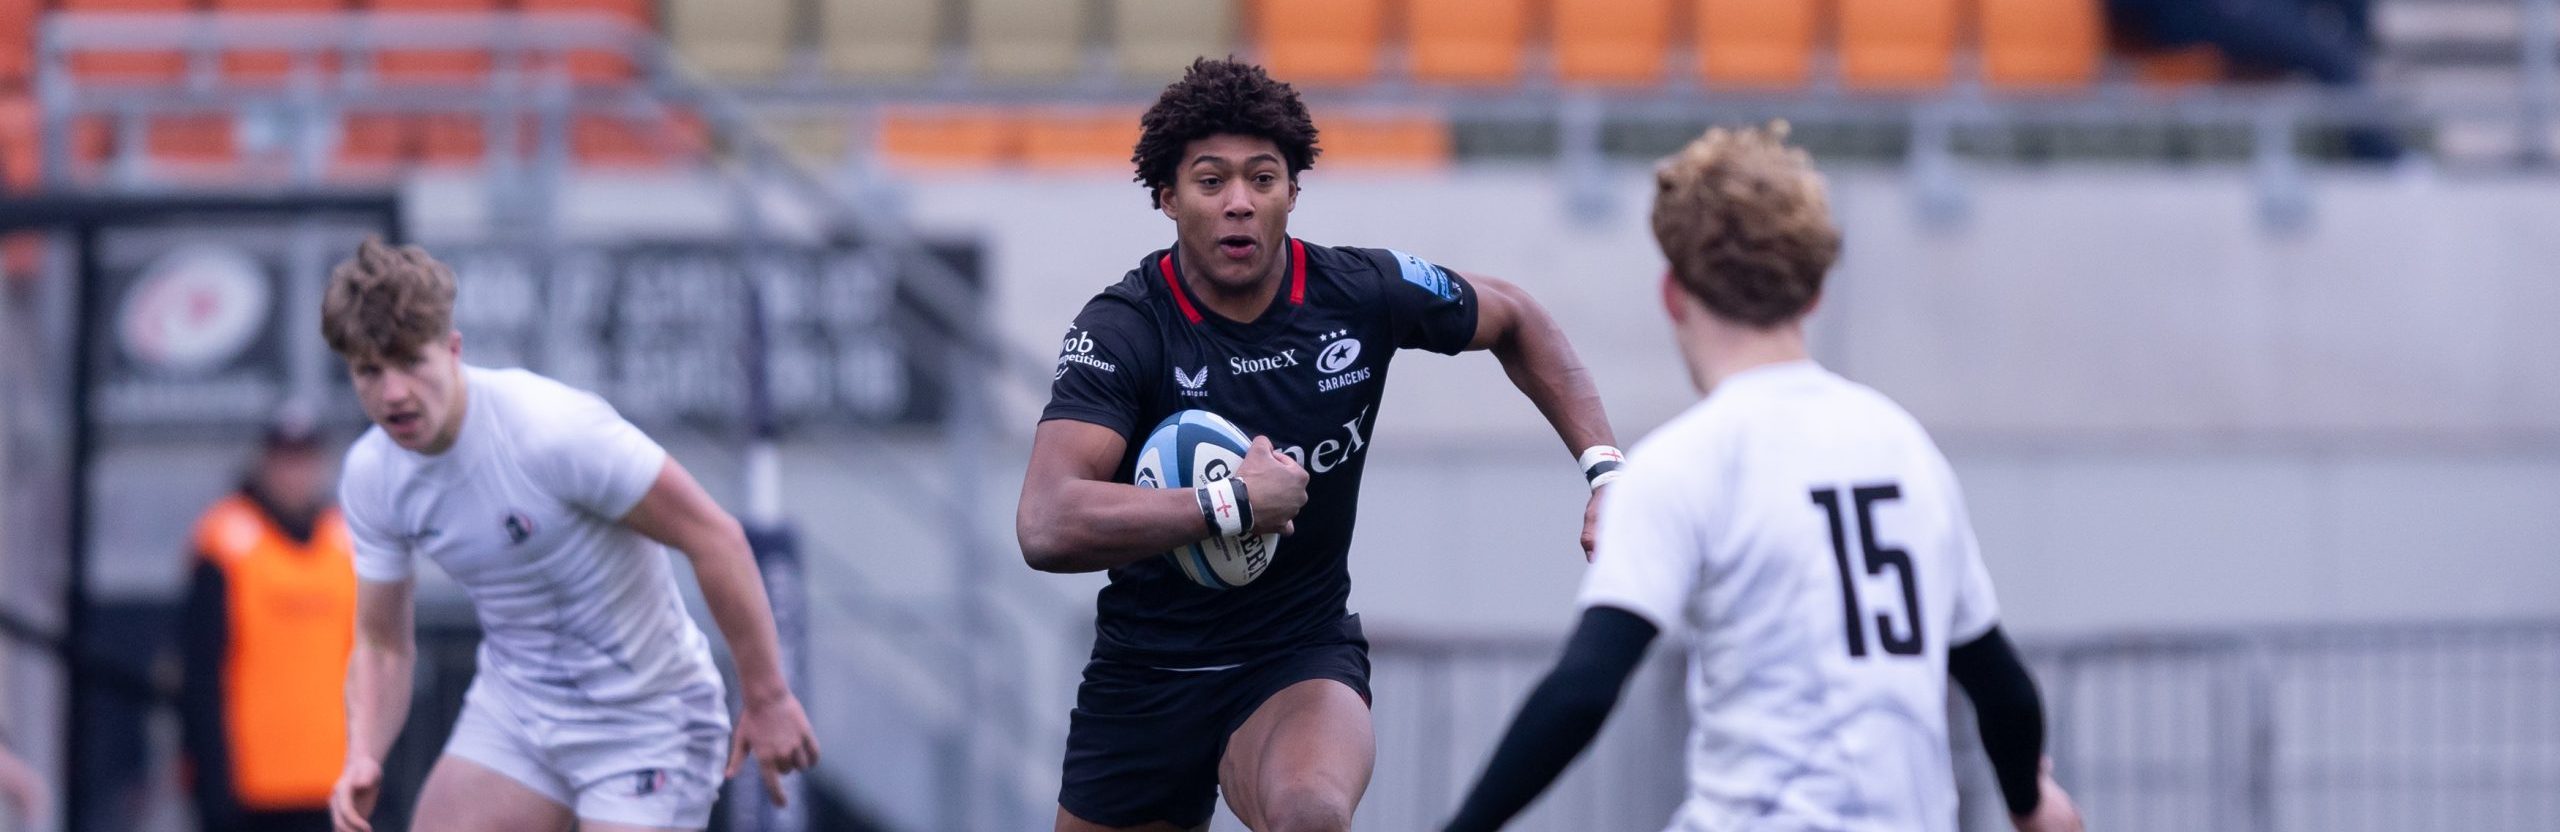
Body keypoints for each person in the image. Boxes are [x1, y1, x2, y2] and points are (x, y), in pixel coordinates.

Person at [1016, 58, 1621, 832]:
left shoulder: (1361, 293)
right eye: (1211, 181)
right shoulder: (1123, 330)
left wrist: (1605, 470)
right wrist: (1231, 503)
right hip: (1147, 676)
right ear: (1167, 198)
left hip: (1295, 656)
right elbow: (1046, 522)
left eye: (1262, 179)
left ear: (1292, 194)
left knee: (1310, 813)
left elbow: (1515, 317)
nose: (1239, 203)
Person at [1439, 125, 2085, 832]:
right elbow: (2003, 687)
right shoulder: (1904, 446)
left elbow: (1582, 692)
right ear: (1811, 296)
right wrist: (2030, 804)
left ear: (1673, 293)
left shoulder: (1686, 462)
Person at [319, 239, 819, 832]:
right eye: (370, 371)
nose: (393, 392)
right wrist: (363, 754)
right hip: (517, 714)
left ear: (453, 350)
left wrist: (766, 697)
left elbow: (715, 537)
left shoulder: (551, 431)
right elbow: (382, 646)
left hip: (646, 720)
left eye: (409, 362)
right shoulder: (373, 474)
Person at [181, 410, 354, 832]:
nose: (294, 474)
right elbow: (201, 671)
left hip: (331, 781)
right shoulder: (226, 540)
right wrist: (211, 779)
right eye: (284, 459)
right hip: (250, 789)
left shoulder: (343, 542)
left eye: (304, 460)